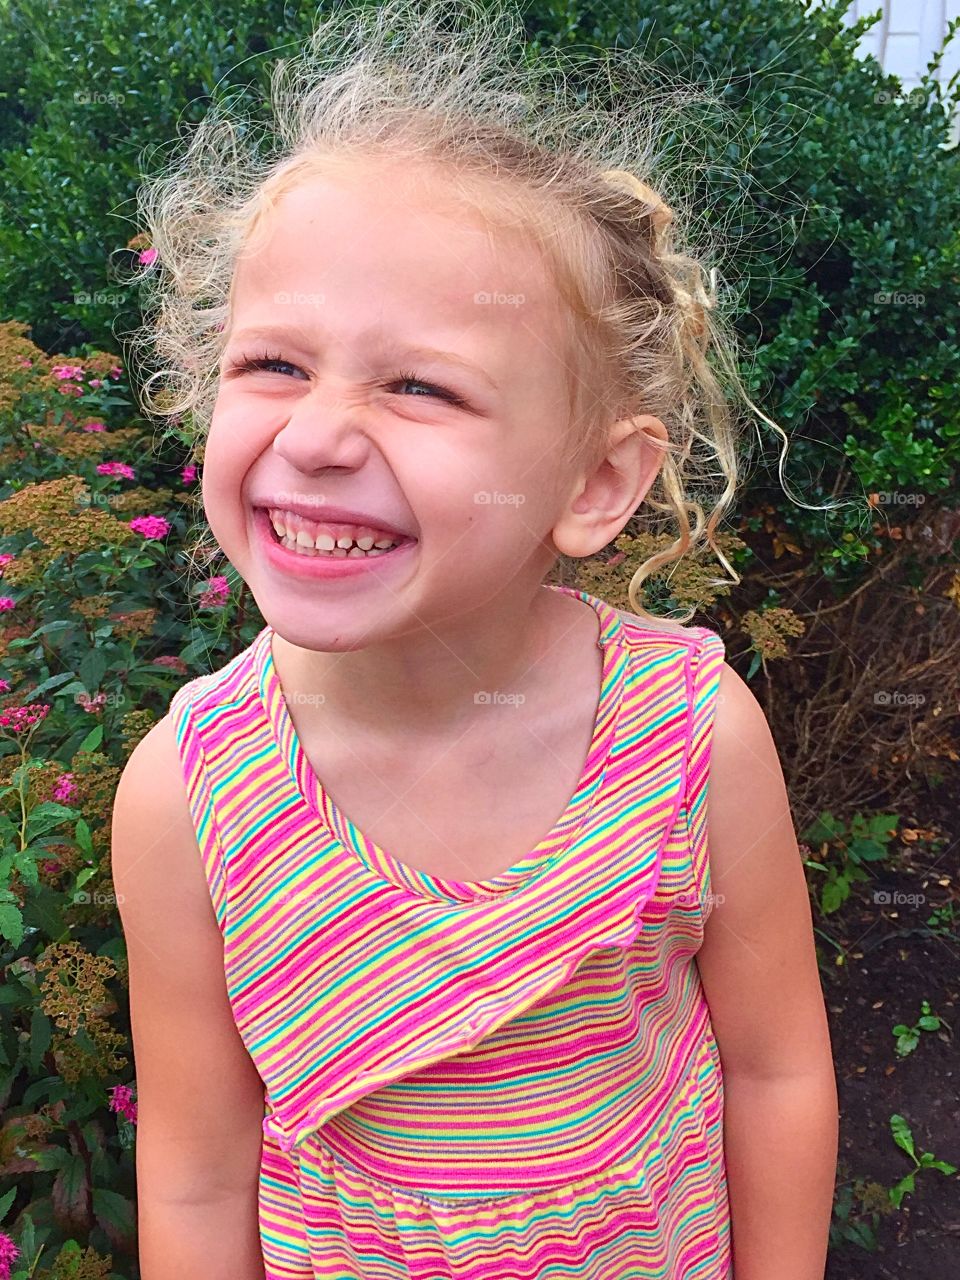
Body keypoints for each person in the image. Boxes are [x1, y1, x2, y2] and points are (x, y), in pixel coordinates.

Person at [110, 2, 838, 1276]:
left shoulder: (687, 738)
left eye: (420, 385)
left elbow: (775, 1072)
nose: (321, 433)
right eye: (273, 361)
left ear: (594, 483)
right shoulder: (189, 799)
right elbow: (193, 1171)